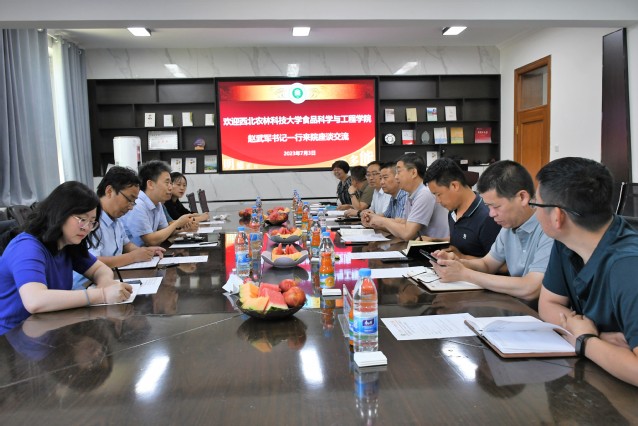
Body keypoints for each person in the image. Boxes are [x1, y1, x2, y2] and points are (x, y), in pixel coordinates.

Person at [535, 157, 638, 386]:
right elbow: (548, 304)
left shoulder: (629, 267)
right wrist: (595, 336)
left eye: (536, 205)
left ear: (557, 216)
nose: (535, 213)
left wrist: (586, 339)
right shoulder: (565, 242)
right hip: (597, 378)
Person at [0, 181, 132, 334]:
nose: (86, 228)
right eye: (82, 219)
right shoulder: (27, 247)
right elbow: (35, 301)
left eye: (92, 222)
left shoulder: (67, 243)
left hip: (48, 327)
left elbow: (100, 269)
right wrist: (101, 295)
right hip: (13, 336)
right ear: (60, 213)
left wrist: (106, 283)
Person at [430, 160, 553, 301]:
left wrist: (464, 274)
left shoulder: (548, 230)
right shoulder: (508, 226)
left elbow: (531, 288)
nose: (491, 214)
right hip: (514, 304)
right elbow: (487, 264)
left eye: (496, 206)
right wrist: (458, 263)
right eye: (488, 206)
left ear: (522, 197)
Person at [72, 166, 165, 289]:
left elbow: (126, 245)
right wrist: (132, 257)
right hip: (85, 286)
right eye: (129, 199)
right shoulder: (90, 221)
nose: (131, 207)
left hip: (108, 280)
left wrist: (144, 252)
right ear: (109, 191)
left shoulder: (116, 219)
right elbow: (93, 261)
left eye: (133, 202)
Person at [423, 158, 501, 258]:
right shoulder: (453, 211)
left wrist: (460, 257)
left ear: (454, 186)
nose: (438, 201)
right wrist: (434, 240)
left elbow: (499, 264)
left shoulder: (488, 217)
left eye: (438, 194)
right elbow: (463, 240)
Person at [361, 153, 448, 240]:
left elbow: (407, 234)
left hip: (436, 247)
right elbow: (402, 224)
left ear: (413, 172)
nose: (396, 177)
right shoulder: (411, 194)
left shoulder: (424, 193)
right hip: (420, 245)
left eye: (398, 172)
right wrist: (373, 221)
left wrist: (380, 220)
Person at [121, 160, 197, 247]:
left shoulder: (157, 204)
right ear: (150, 184)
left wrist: (184, 230)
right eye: (167, 183)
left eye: (171, 183)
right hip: (136, 253)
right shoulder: (138, 205)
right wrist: (178, 223)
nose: (170, 187)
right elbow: (151, 240)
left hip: (149, 252)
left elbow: (165, 231)